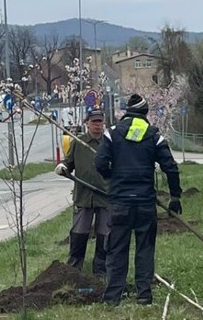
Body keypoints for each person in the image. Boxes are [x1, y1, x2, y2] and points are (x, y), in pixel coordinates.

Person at [95, 93, 182, 306]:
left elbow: (99, 163)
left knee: (116, 249)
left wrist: (110, 176)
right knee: (145, 248)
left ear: (126, 112)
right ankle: (144, 295)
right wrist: (175, 196)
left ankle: (113, 297)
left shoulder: (112, 134)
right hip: (145, 201)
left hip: (119, 202)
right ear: (145, 113)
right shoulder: (153, 135)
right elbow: (170, 167)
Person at [54, 108, 110, 274]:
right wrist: (63, 167)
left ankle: (100, 269)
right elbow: (68, 163)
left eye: (100, 122)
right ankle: (74, 268)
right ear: (87, 123)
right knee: (79, 232)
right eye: (94, 122)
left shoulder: (109, 145)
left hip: (105, 196)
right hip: (83, 196)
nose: (97, 126)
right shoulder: (78, 143)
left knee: (104, 234)